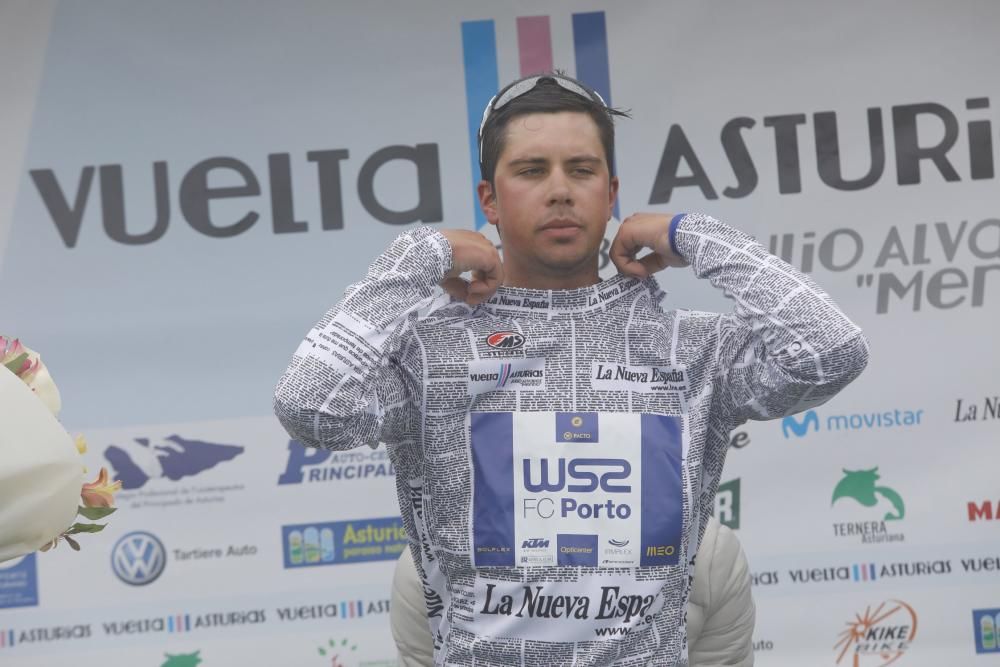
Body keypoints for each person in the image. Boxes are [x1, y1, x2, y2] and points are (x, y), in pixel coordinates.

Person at [274, 73, 868, 666]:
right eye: (532, 171)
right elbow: (310, 405)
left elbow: (830, 351)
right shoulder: (433, 352)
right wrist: (419, 257)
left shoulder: (687, 347)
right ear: (490, 200)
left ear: (611, 195)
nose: (559, 191)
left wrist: (691, 235)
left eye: (581, 171)